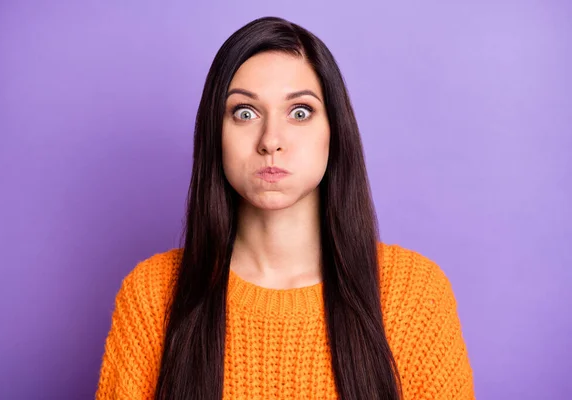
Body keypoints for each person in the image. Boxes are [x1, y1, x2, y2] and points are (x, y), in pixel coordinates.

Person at [96, 16, 474, 400]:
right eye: (245, 112)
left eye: (300, 112)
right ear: (216, 133)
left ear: (334, 130)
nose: (271, 140)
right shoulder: (152, 294)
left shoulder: (414, 295)